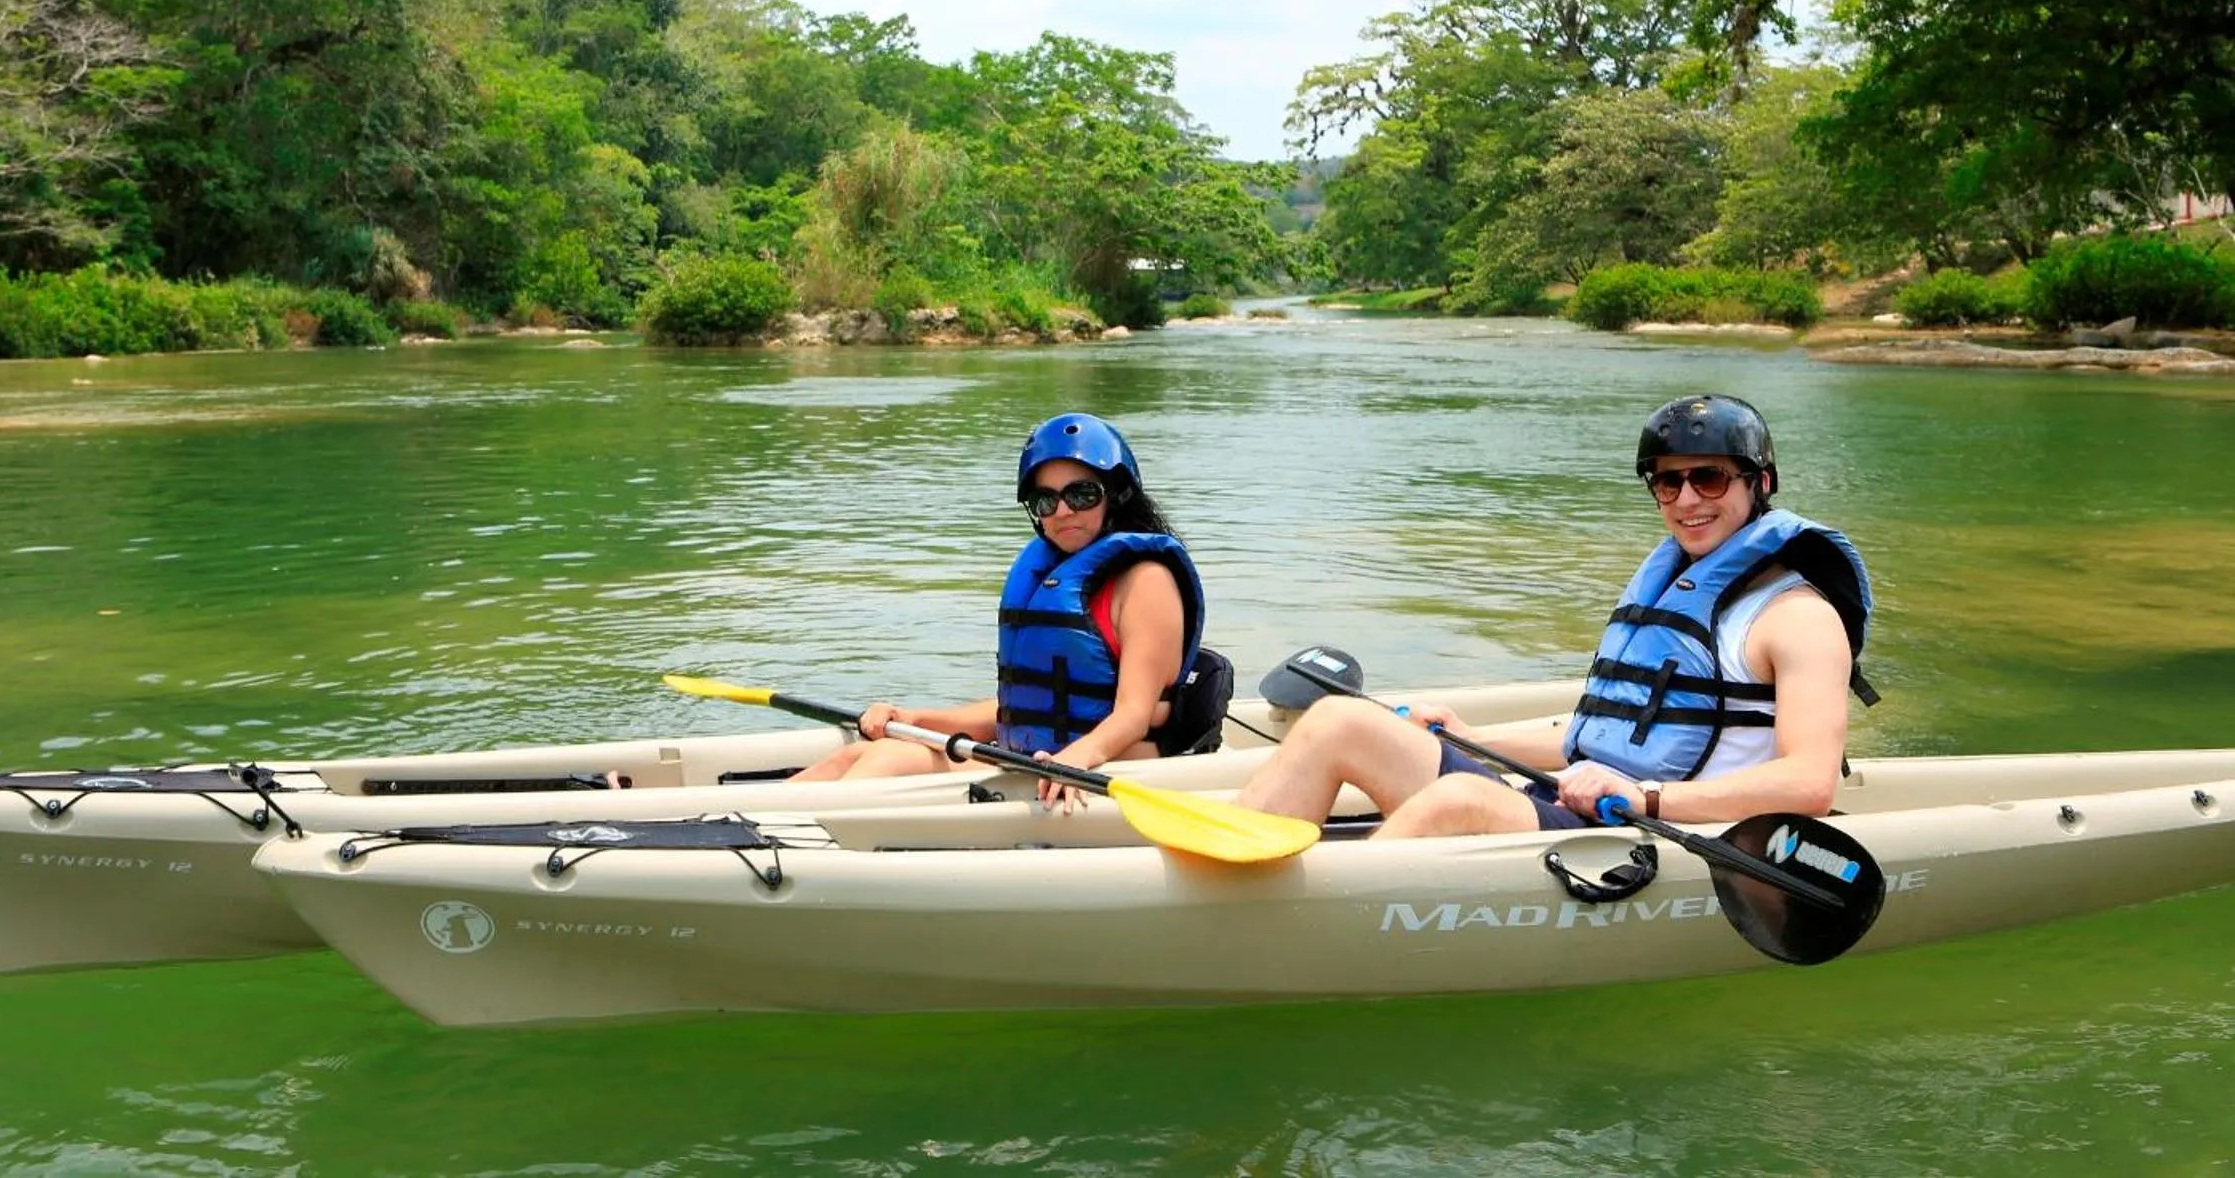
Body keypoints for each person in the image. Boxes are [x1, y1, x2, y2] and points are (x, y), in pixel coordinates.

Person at [1235, 393, 1877, 836]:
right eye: (1666, 482)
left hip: (1659, 825)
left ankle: (1294, 933)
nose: (1686, 500)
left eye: (1708, 478)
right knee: (1341, 719)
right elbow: (1605, 733)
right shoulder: (1672, 586)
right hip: (1582, 806)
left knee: (1459, 800)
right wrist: (1467, 735)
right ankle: (1223, 882)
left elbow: (1809, 783)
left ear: (1760, 484)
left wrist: (1647, 798)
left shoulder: (1797, 617)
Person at [789, 411, 1230, 803]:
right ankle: (736, 825)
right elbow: (1021, 710)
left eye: (1080, 494)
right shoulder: (1049, 573)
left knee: (888, 760)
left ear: (1114, 494)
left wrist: (1075, 759)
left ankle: (792, 844)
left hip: (1106, 766)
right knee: (855, 755)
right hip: (1035, 759)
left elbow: (1133, 715)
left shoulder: (1146, 581)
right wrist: (917, 718)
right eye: (1045, 500)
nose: (1062, 511)